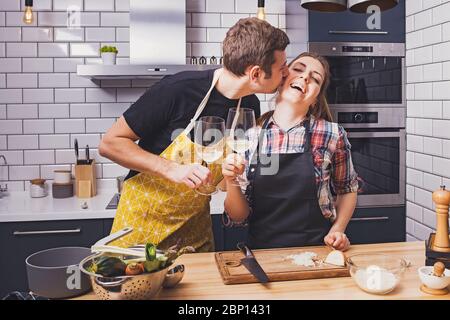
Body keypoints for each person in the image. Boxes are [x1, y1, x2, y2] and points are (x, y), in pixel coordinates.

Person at [98, 18, 290, 251]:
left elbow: (224, 181)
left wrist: (230, 177)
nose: (287, 73)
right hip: (141, 228)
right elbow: (110, 143)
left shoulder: (248, 105)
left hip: (194, 235)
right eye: (282, 68)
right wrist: (172, 169)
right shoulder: (178, 89)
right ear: (256, 73)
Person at [222, 52, 358, 251]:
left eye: (315, 79)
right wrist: (230, 180)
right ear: (282, 78)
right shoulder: (249, 137)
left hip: (317, 252)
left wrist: (337, 230)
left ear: (316, 98)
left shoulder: (332, 134)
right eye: (298, 69)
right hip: (262, 254)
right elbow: (238, 216)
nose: (305, 77)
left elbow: (347, 190)